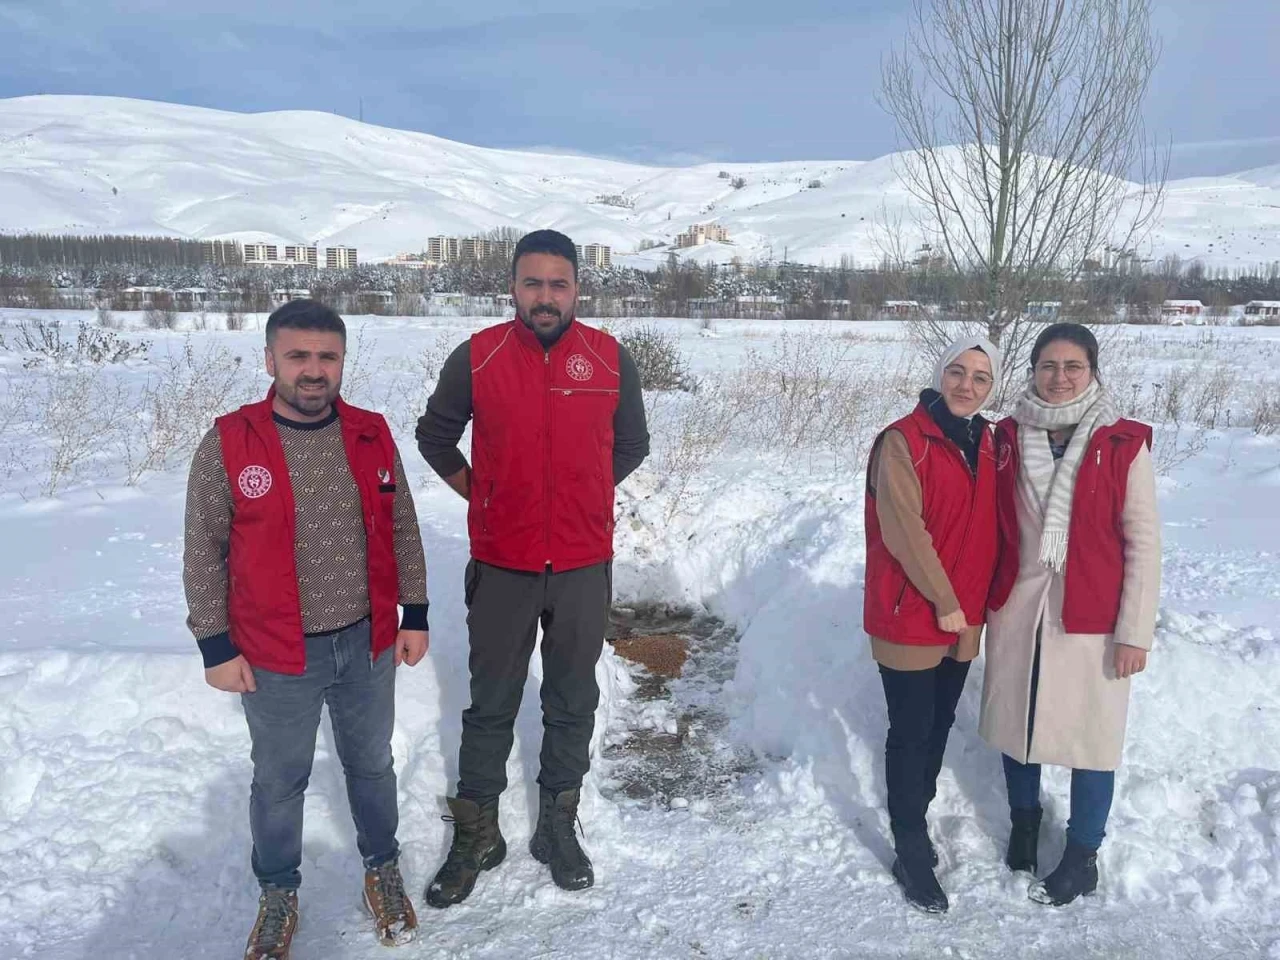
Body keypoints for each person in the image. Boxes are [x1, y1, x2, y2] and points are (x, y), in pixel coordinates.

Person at [183, 299, 429, 958]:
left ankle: (382, 868)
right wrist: (214, 642)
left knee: (372, 766)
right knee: (280, 778)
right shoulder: (231, 442)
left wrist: (416, 612)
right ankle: (278, 893)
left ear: (342, 361)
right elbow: (204, 548)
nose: (314, 370)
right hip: (275, 652)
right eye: (298, 356)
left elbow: (402, 525)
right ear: (270, 360)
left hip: (368, 640)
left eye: (327, 356)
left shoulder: (373, 433)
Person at [415, 229, 650, 905]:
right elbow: (434, 434)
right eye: (532, 283)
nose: (545, 297)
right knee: (490, 704)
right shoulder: (480, 356)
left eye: (558, 284)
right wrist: (479, 491)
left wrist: (578, 492)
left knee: (573, 698)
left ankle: (557, 825)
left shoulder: (608, 358)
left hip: (581, 565)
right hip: (503, 562)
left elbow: (632, 443)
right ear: (512, 287)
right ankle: (478, 831)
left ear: (577, 288)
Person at [980, 322, 1160, 906]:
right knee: (1018, 725)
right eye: (1048, 366)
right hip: (1020, 609)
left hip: (1094, 618)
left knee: (1093, 737)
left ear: (1093, 371)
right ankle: (1026, 826)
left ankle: (1084, 855)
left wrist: (1134, 632)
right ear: (1032, 371)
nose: (1059, 379)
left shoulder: (1122, 443)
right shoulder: (1005, 437)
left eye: (1072, 367)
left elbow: (1143, 542)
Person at [864, 335, 1002, 914]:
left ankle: (915, 815)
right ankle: (911, 847)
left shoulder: (991, 442)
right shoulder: (904, 440)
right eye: (957, 371)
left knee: (941, 723)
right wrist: (946, 599)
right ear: (939, 374)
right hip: (912, 612)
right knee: (912, 729)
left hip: (965, 614)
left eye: (980, 377)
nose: (966, 385)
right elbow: (903, 529)